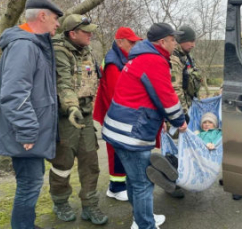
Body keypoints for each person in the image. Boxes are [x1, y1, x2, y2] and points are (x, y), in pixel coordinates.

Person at [102, 22, 187, 229]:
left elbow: (147, 96)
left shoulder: (140, 57)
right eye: (173, 39)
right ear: (162, 41)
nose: (175, 43)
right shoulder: (153, 60)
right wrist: (180, 121)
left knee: (134, 180)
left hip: (120, 130)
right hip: (132, 133)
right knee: (143, 183)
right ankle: (144, 224)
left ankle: (141, 218)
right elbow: (166, 96)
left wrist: (162, 123)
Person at [0, 0, 62, 229]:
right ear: (42, 16)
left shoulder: (31, 44)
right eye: (55, 18)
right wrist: (27, 131)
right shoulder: (24, 45)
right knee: (30, 185)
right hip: (26, 135)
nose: (58, 24)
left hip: (29, 133)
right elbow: (14, 93)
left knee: (31, 183)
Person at [48, 14, 108, 225]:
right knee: (62, 164)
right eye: (86, 31)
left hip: (86, 115)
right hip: (66, 117)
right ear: (72, 33)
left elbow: (95, 80)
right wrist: (72, 106)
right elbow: (63, 82)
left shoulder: (87, 51)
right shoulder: (58, 51)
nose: (90, 34)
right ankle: (60, 201)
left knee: (90, 162)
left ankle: (90, 205)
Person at [93, 27, 142, 202]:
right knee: (115, 149)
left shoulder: (123, 57)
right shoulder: (113, 61)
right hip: (114, 114)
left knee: (121, 148)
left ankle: (121, 184)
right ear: (120, 41)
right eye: (131, 42)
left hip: (119, 112)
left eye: (136, 42)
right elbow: (116, 94)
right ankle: (115, 187)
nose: (134, 45)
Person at [146, 112, 222, 193]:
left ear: (215, 125)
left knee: (179, 161)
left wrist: (212, 144)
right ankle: (168, 168)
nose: (207, 124)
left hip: (203, 157)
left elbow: (219, 143)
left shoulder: (217, 133)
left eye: (210, 122)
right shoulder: (197, 133)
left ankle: (168, 170)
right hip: (191, 155)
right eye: (204, 122)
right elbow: (189, 142)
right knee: (176, 156)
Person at [169, 25, 202, 198]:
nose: (193, 45)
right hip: (177, 113)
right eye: (191, 41)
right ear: (182, 41)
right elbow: (175, 90)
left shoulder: (187, 57)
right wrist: (182, 114)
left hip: (188, 107)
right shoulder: (174, 60)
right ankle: (172, 184)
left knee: (184, 148)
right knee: (174, 150)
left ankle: (184, 178)